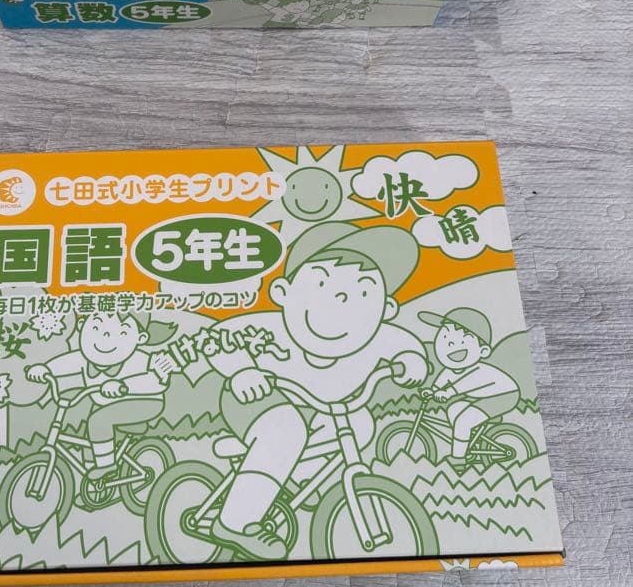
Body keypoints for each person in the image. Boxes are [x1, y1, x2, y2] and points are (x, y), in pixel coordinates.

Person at [202, 222, 428, 559]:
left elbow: (406, 347)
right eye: (321, 284)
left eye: (363, 294)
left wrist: (411, 362)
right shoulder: (268, 329)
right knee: (285, 430)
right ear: (282, 293)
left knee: (360, 423)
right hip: (256, 398)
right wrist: (242, 370)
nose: (341, 303)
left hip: (323, 406)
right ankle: (234, 523)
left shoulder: (380, 336)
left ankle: (294, 481)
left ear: (386, 309)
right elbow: (217, 338)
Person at [26, 310, 175, 479]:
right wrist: (45, 369)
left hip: (145, 401)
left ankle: (107, 466)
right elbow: (64, 363)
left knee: (98, 421)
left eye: (122, 333)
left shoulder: (140, 359)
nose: (106, 337)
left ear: (140, 338)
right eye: (96, 328)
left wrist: (124, 385)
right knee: (90, 437)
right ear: (81, 326)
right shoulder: (84, 359)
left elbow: (155, 379)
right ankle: (94, 481)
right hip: (107, 403)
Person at [419, 307, 520, 471]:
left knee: (463, 421)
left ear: (483, 351)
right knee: (454, 409)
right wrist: (432, 391)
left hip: (504, 395)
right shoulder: (450, 370)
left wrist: (448, 392)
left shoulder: (478, 370)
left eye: (462, 341)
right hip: (485, 398)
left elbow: (464, 384)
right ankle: (469, 440)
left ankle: (458, 460)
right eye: (446, 339)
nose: (451, 345)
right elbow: (442, 382)